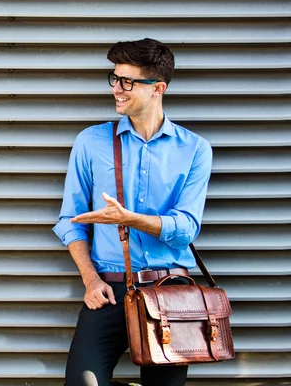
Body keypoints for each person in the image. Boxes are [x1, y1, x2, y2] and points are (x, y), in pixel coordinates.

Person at [52, 38, 213, 386]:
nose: (117, 90)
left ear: (158, 88)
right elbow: (70, 221)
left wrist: (130, 220)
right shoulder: (90, 142)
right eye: (115, 78)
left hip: (169, 295)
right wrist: (90, 279)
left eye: (128, 81)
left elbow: (187, 228)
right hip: (107, 290)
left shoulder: (195, 149)